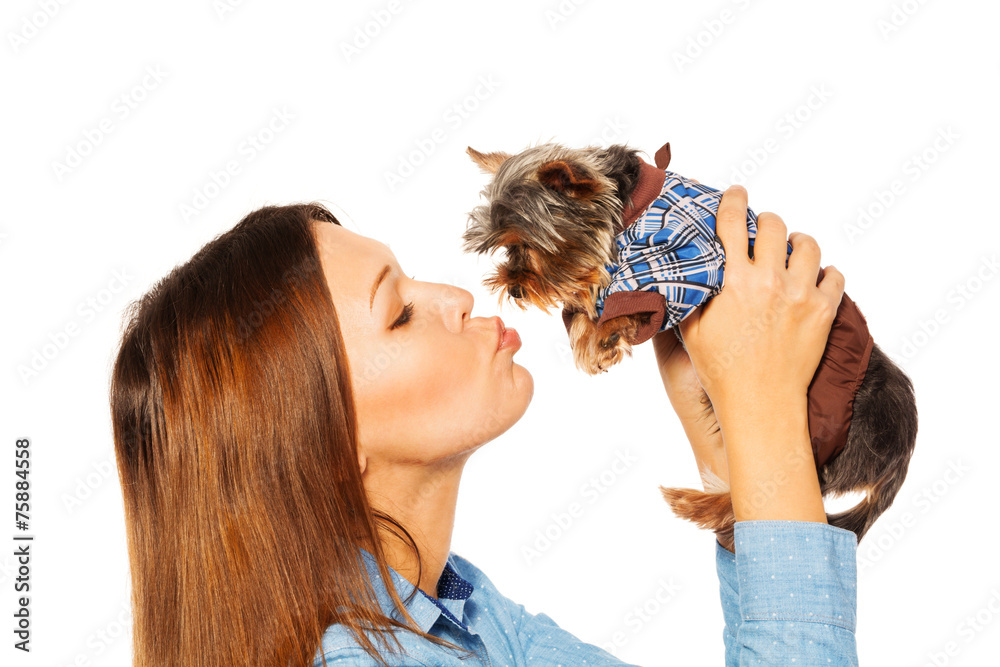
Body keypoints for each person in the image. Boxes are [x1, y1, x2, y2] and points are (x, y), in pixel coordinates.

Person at [109, 185, 859, 667]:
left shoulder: (458, 614)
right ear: (326, 449)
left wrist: (723, 426)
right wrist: (762, 415)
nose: (454, 298)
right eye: (399, 313)